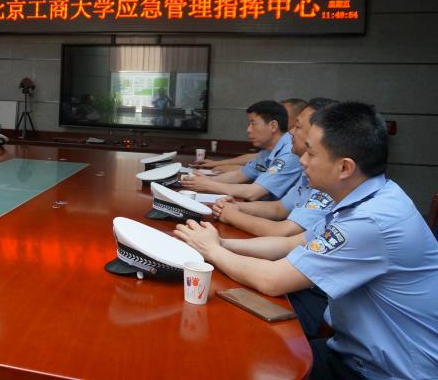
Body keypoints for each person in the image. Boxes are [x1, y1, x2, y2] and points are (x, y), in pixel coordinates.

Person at [174, 102, 438, 379]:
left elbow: (273, 280)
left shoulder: (370, 220)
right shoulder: (365, 197)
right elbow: (292, 243)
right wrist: (222, 244)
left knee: (238, 359)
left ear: (344, 167)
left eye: (311, 153)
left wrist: (212, 250)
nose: (302, 160)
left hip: (385, 372)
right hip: (352, 353)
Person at [212, 98, 338, 237]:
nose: (290, 132)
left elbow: (284, 232)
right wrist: (235, 207)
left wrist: (230, 215)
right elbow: (279, 208)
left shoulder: (328, 180)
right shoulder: (307, 169)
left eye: (297, 126)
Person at [181, 100, 302, 200]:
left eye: (253, 124)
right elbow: (240, 175)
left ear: (273, 126)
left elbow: (253, 192)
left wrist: (209, 185)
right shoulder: (267, 150)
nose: (248, 130)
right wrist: (206, 180)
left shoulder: (290, 152)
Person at [195, 98, 307, 172]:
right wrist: (218, 164)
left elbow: (257, 187)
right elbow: (253, 163)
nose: (281, 117)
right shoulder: (270, 147)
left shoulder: (292, 151)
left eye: (285, 115)